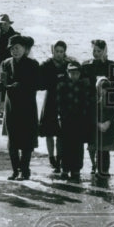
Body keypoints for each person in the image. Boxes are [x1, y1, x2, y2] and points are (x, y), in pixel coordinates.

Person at [0, 34, 40, 180]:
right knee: (13, 139)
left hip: (27, 105)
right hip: (11, 105)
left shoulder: (33, 64)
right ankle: (15, 170)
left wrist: (22, 86)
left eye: (17, 48)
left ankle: (25, 170)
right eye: (12, 49)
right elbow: (1, 81)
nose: (14, 51)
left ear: (24, 49)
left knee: (27, 140)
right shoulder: (5, 63)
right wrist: (0, 85)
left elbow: (37, 85)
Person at [80, 39, 114, 176]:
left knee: (105, 141)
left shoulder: (111, 65)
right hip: (91, 104)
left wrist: (104, 91)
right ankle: (93, 164)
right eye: (94, 50)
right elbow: (82, 85)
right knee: (91, 140)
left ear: (105, 51)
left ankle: (104, 169)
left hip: (106, 105)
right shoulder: (86, 65)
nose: (96, 53)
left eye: (99, 51)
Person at [56, 60, 92, 182]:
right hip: (66, 120)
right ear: (67, 73)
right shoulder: (62, 85)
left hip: (79, 120)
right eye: (71, 73)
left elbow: (86, 102)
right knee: (65, 146)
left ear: (80, 73)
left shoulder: (83, 85)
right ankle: (65, 169)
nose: (74, 75)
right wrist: (62, 116)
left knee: (78, 146)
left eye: (76, 73)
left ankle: (76, 170)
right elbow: (59, 103)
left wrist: (84, 117)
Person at [38, 40, 69, 177]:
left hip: (63, 101)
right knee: (49, 131)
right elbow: (41, 83)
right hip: (50, 99)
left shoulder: (68, 64)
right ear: (53, 51)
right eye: (57, 51)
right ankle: (51, 157)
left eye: (61, 52)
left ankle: (60, 157)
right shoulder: (46, 65)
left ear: (64, 52)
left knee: (61, 132)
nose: (59, 54)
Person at [91, 75, 114, 180]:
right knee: (97, 149)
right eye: (102, 89)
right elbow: (91, 112)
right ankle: (96, 167)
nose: (104, 92)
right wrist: (97, 123)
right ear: (98, 87)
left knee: (105, 150)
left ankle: (105, 170)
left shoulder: (111, 96)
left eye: (106, 89)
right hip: (97, 126)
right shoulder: (93, 96)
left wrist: (108, 122)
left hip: (108, 127)